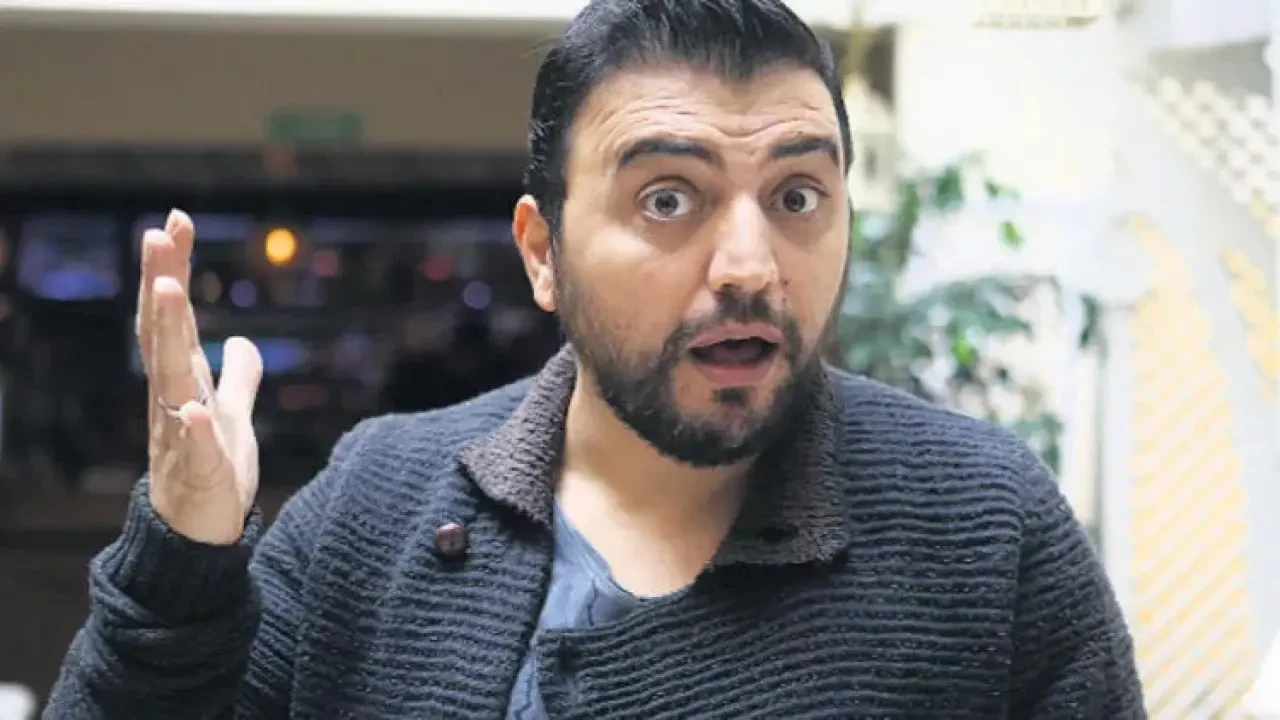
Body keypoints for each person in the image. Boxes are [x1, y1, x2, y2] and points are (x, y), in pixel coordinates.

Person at [45, 1, 1145, 717]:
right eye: (668, 198)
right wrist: (183, 558)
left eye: (798, 196)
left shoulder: (982, 528)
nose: (750, 266)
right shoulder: (379, 502)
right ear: (544, 252)